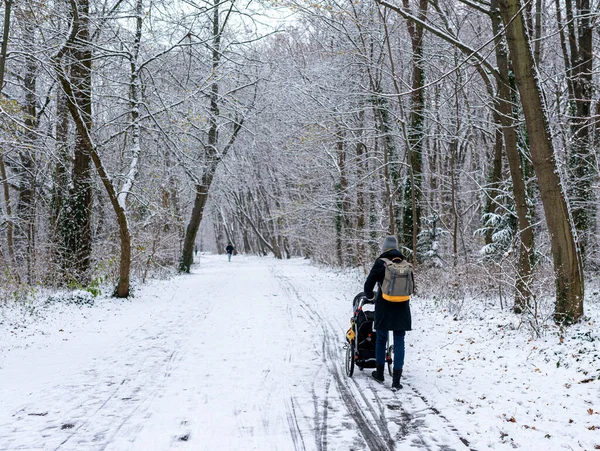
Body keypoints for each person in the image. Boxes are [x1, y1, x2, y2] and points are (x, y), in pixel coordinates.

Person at [364, 235, 412, 390]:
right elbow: (412, 287)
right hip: (402, 307)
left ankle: (379, 373)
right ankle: (397, 380)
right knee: (399, 341)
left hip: (384, 306)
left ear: (384, 249)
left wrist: (371, 296)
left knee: (381, 339)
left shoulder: (381, 263)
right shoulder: (405, 263)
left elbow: (368, 286)